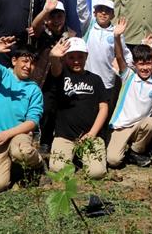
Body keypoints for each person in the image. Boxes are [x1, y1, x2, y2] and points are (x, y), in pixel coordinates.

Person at [0, 36, 44, 192]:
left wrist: (8, 134)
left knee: (22, 152)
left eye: (32, 63)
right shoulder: (2, 75)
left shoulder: (34, 89)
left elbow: (32, 122)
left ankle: (38, 165)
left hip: (18, 135)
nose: (28, 66)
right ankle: (14, 169)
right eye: (25, 61)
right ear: (14, 61)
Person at [107, 20, 152, 168]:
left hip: (141, 125)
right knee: (113, 161)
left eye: (148, 64)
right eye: (141, 64)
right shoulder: (128, 76)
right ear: (135, 64)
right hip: (121, 126)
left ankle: (135, 152)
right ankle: (122, 148)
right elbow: (119, 57)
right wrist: (117, 37)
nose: (145, 68)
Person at [46, 37, 108, 179]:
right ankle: (73, 156)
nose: (76, 61)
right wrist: (53, 57)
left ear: (86, 56)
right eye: (71, 57)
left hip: (91, 136)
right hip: (65, 136)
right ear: (65, 58)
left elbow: (103, 108)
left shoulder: (95, 79)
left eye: (80, 57)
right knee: (58, 170)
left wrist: (92, 133)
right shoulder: (61, 75)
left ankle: (83, 156)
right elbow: (55, 68)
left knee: (96, 173)